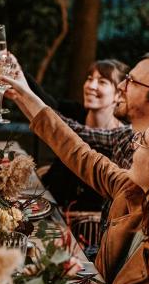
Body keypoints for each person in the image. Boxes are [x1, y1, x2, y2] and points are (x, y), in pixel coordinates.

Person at [3, 63, 149, 284]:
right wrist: (25, 97)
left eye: (141, 142)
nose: (133, 143)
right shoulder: (131, 190)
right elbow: (80, 154)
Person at [39, 60, 130, 211]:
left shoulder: (122, 139)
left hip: (86, 226)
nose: (91, 86)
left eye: (102, 81)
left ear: (119, 94)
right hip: (49, 204)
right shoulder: (75, 113)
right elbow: (42, 103)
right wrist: (19, 74)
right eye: (89, 79)